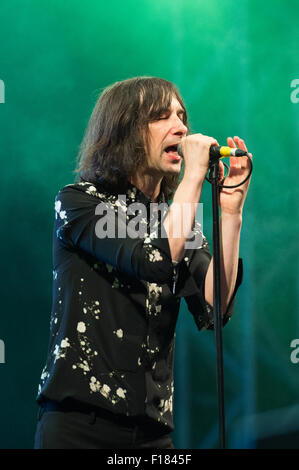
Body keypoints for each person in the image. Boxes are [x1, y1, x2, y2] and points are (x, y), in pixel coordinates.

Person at [34, 76, 251, 449]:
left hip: (150, 435)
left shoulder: (175, 222)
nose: (181, 127)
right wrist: (195, 174)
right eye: (161, 116)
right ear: (125, 130)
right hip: (79, 427)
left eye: (182, 116)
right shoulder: (80, 202)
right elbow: (151, 258)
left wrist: (231, 213)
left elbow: (217, 306)